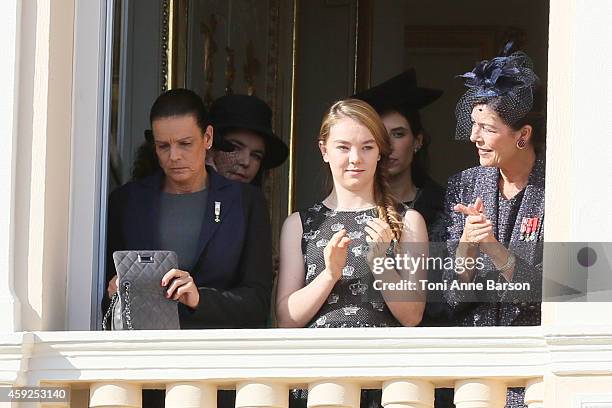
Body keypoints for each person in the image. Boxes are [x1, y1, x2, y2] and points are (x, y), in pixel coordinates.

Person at [104, 88, 273, 406]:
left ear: (208, 138)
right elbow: (100, 300)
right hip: (142, 375)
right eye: (163, 146)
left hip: (220, 374)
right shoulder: (127, 202)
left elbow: (258, 301)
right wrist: (113, 294)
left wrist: (199, 299)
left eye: (185, 144)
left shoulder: (245, 202)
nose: (174, 156)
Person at [276, 98, 427, 407]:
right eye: (343, 147)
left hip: (383, 382)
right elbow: (285, 318)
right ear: (324, 150)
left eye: (367, 147)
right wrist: (329, 274)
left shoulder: (407, 221)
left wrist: (381, 264)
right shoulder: (300, 224)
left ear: (380, 152)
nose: (355, 158)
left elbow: (413, 315)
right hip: (318, 382)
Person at [443, 46, 544, 407]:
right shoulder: (465, 185)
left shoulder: (558, 191)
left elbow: (552, 294)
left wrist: (495, 249)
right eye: (473, 125)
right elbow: (450, 298)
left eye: (487, 128)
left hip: (534, 374)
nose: (474, 137)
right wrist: (467, 246)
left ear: (523, 134)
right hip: (475, 373)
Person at [354, 69, 451, 330]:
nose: (389, 146)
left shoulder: (446, 208)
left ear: (417, 141)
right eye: (380, 137)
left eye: (398, 134)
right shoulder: (348, 209)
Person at [207, 94, 289, 186]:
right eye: (235, 148)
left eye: (256, 156)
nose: (246, 162)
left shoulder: (254, 199)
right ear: (210, 148)